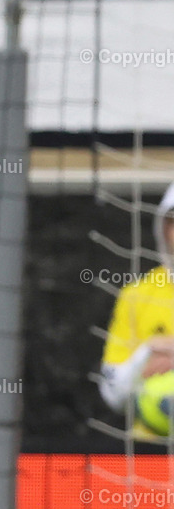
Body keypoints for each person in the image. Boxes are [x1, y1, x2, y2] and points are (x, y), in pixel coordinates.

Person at [99, 181, 174, 430]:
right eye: (173, 221)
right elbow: (113, 395)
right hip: (148, 459)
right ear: (162, 228)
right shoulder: (136, 295)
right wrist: (147, 352)